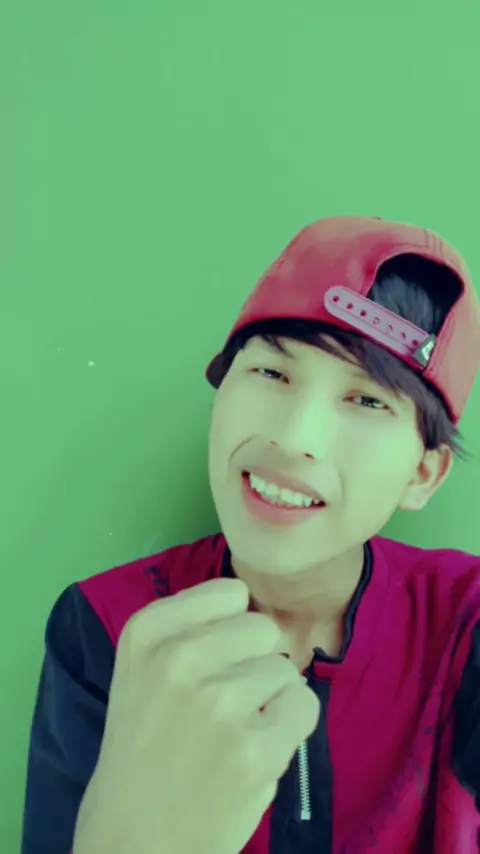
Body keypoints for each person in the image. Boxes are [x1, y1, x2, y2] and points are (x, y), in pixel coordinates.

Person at [21, 215, 480, 854]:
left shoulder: (466, 619)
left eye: (368, 401)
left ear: (423, 474)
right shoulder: (104, 622)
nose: (293, 439)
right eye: (272, 374)